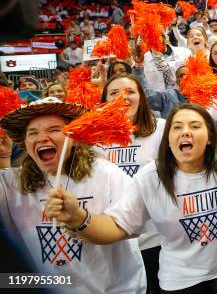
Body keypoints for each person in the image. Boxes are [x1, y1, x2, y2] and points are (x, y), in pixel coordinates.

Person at [45, 104, 217, 293]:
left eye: (195, 126)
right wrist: (80, 218)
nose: (185, 132)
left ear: (209, 137)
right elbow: (118, 226)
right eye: (177, 127)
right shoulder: (149, 177)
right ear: (168, 139)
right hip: (181, 279)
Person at [0, 97, 147, 293]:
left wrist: (79, 218)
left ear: (73, 137)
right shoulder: (10, 184)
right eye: (32, 133)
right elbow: (10, 279)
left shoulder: (105, 174)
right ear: (25, 143)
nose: (42, 138)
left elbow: (134, 226)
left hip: (114, 289)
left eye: (53, 130)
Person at [98, 74, 166, 293]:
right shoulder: (93, 138)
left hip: (155, 237)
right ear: (105, 100)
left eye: (130, 92)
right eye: (114, 93)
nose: (122, 97)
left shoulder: (162, 129)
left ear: (141, 97)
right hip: (114, 239)